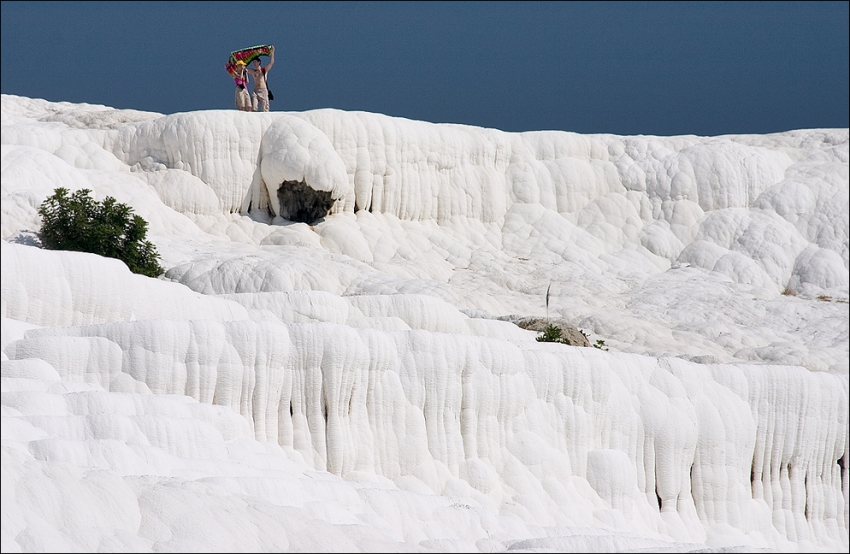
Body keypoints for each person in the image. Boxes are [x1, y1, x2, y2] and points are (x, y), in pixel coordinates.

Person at [246, 46, 274, 112]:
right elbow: (245, 68)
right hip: (255, 91)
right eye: (253, 62)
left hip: (263, 90)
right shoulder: (253, 71)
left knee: (265, 109)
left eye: (255, 62)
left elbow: (271, 63)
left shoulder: (264, 70)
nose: (254, 64)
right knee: (254, 107)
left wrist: (272, 52)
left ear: (259, 62)